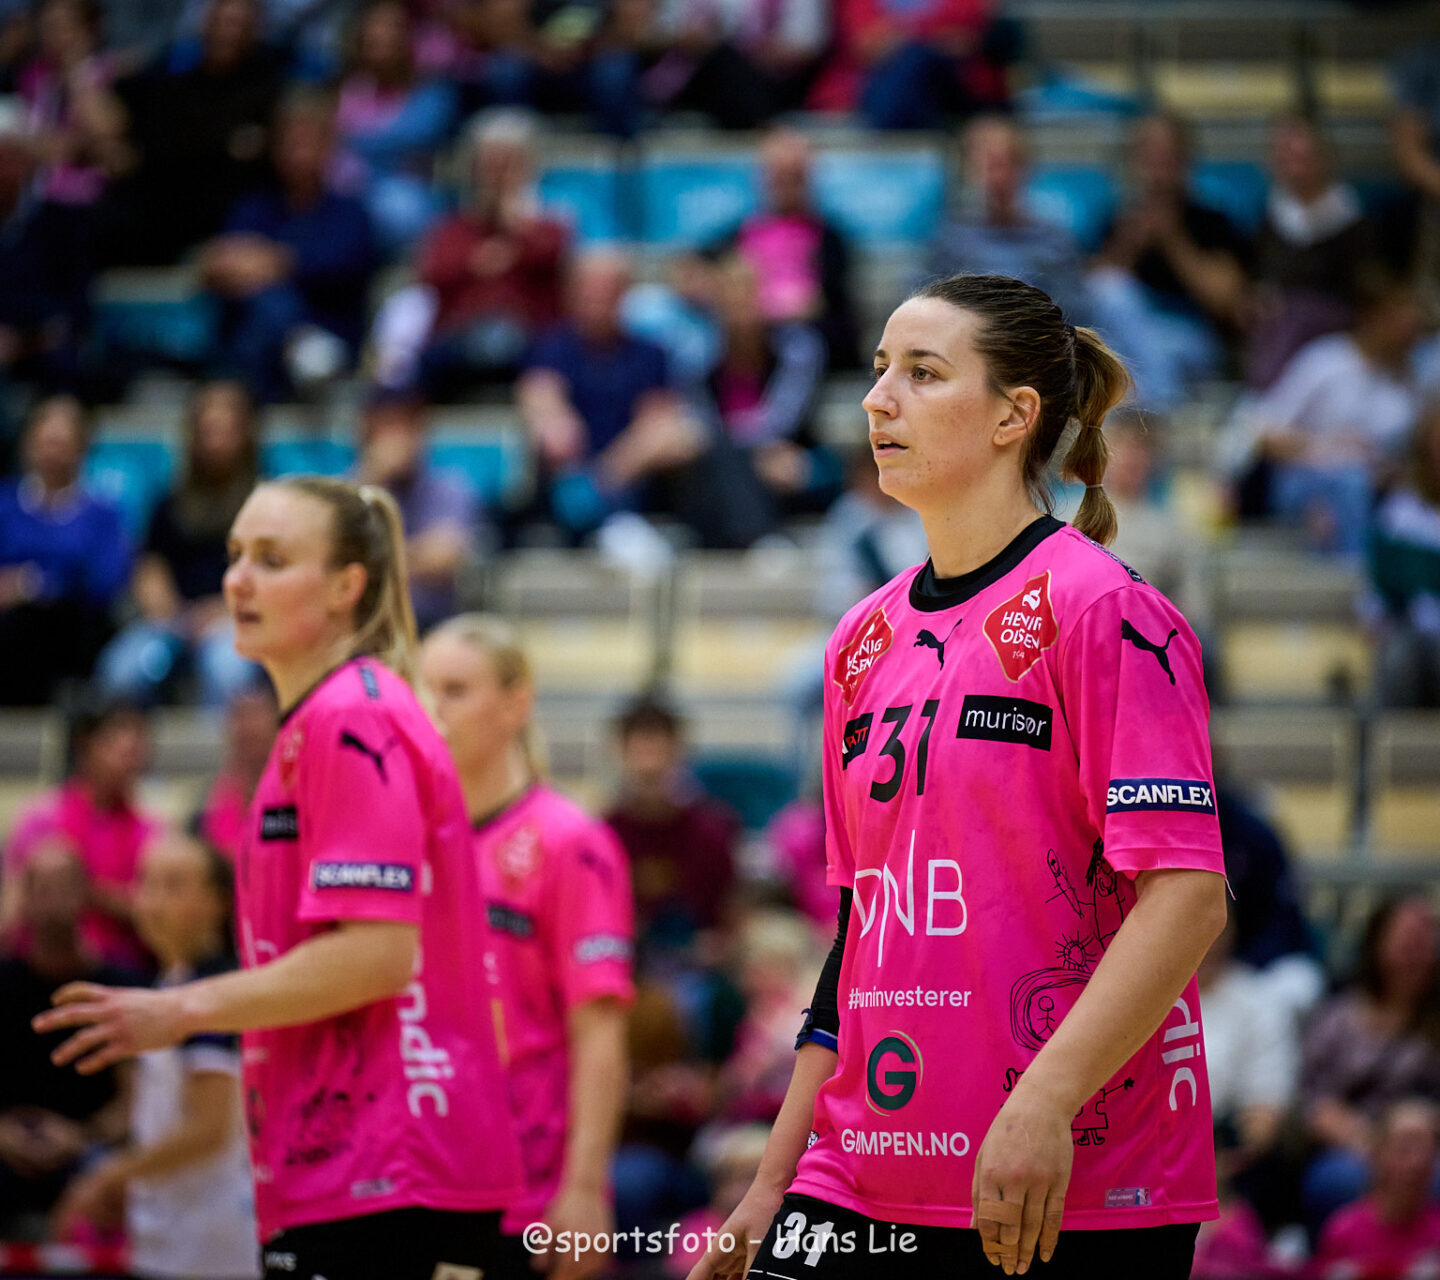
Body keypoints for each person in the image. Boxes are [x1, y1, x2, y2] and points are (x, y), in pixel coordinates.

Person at [687, 273, 1228, 1280]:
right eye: (879, 368)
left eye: (923, 373)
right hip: (857, 1167)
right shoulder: (861, 638)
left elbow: (1188, 897)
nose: (877, 398)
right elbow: (860, 928)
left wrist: (1045, 1099)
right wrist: (772, 1179)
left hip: (1062, 1175)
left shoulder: (1105, 610)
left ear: (1014, 417)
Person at [33, 475, 523, 1280]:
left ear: (345, 587)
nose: (237, 581)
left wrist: (181, 1009)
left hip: (386, 1166)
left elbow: (376, 955)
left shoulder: (353, 716)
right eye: (234, 556)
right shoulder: (324, 719)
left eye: (271, 559)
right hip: (347, 1159)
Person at [420, 613, 634, 1280]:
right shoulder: (406, 840)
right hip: (416, 1187)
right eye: (423, 690)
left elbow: (599, 1031)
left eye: (455, 690)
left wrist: (584, 1189)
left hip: (527, 1195)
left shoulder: (570, 842)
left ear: (516, 704)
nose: (432, 710)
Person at [53, 833, 259, 1280]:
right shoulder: (170, 984)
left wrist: (109, 1175)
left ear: (218, 902)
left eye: (173, 885)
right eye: (145, 882)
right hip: (170, 1232)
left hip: (213, 1242)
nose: (152, 900)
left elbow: (208, 1128)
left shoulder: (213, 993)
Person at [371, 107, 569, 398]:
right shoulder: (452, 228)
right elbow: (433, 273)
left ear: (528, 167)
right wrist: (476, 261)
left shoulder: (550, 223)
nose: (498, 177)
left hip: (531, 340)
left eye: (508, 165)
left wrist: (515, 220)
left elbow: (550, 254)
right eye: (490, 166)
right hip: (461, 340)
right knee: (408, 377)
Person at [201, 88, 378, 401]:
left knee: (274, 303)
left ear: (328, 147)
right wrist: (284, 263)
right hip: (258, 346)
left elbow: (340, 265)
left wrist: (274, 261)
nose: (298, 153)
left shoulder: (350, 214)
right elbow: (218, 266)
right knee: (267, 307)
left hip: (331, 343)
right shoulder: (253, 208)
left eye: (307, 142)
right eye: (290, 143)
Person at [97, 380, 264, 709]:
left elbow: (270, 576)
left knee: (227, 670)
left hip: (236, 621)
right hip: (174, 620)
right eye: (208, 431)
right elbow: (150, 567)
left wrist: (221, 613)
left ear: (246, 435)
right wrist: (173, 614)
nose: (216, 441)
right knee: (123, 670)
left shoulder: (266, 504)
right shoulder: (169, 503)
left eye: (226, 431)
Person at [0, 842, 134, 1238]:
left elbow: (136, 1097)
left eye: (63, 885)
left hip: (91, 1152)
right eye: (40, 887)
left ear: (86, 893)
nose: (52, 899)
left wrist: (81, 1137)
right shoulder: (4, 982)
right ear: (22, 897)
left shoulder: (119, 988)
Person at [1297, 894, 1440, 1234]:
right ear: (1377, 944)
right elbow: (1312, 1099)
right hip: (1355, 1145)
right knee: (1337, 1181)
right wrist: (1369, 1141)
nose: (1415, 952)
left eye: (1424, 942)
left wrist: (1416, 1138)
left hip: (1428, 1144)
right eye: (1406, 941)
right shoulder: (1338, 1017)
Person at [1089, 114, 1250, 413]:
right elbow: (1095, 293)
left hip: (1191, 337)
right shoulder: (1118, 220)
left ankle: (1151, 414)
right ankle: (1154, 412)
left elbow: (1226, 300)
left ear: (1186, 160)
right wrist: (1129, 245)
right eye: (1149, 156)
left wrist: (1173, 239)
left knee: (1151, 361)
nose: (1159, 167)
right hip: (1128, 343)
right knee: (1110, 293)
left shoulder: (1211, 221)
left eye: (1168, 156)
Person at [3, 696, 160, 971]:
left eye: (139, 742)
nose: (131, 752)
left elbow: (153, 910)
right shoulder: (42, 819)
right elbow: (14, 905)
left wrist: (86, 890)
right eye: (115, 741)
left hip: (122, 970)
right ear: (86, 746)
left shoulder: (150, 828)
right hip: (42, 964)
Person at [0, 395, 131, 705]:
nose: (52, 453)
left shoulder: (102, 512)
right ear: (27, 444)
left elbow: (107, 579)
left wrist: (36, 582)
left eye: (62, 444)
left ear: (82, 449)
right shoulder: (5, 505)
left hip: (75, 626)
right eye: (46, 442)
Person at [604, 695, 739, 957]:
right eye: (641, 754)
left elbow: (731, 914)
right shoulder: (605, 835)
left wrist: (721, 943)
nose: (650, 767)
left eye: (659, 754)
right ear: (621, 752)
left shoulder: (712, 830)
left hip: (701, 962)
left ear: (678, 751)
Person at [925, 115, 1089, 324]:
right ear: (968, 173)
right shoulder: (949, 239)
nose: (998, 179)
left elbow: (1075, 310)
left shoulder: (1053, 240)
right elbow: (928, 306)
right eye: (988, 167)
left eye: (1005, 166)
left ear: (1025, 170)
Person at [332, 0, 457, 253]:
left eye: (391, 27)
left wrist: (354, 139)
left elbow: (415, 135)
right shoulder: (346, 89)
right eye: (373, 27)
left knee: (397, 207)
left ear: (409, 36)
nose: (379, 34)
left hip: (408, 200)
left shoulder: (433, 92)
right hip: (350, 194)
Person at [354, 393, 483, 633]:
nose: (400, 439)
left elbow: (443, 558)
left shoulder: (450, 486)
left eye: (409, 426)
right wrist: (373, 479)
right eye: (389, 427)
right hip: (363, 626)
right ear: (368, 432)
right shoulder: (351, 487)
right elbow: (340, 555)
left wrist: (375, 560)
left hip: (431, 625)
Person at [1311, 1098, 1440, 1280]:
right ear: (1377, 1154)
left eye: (1426, 1150)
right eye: (1404, 1149)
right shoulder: (1342, 1232)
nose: (1417, 1162)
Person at [1368, 405, 1440, 707]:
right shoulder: (1399, 515)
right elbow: (1377, 593)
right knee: (1398, 654)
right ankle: (1387, 736)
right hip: (1413, 635)